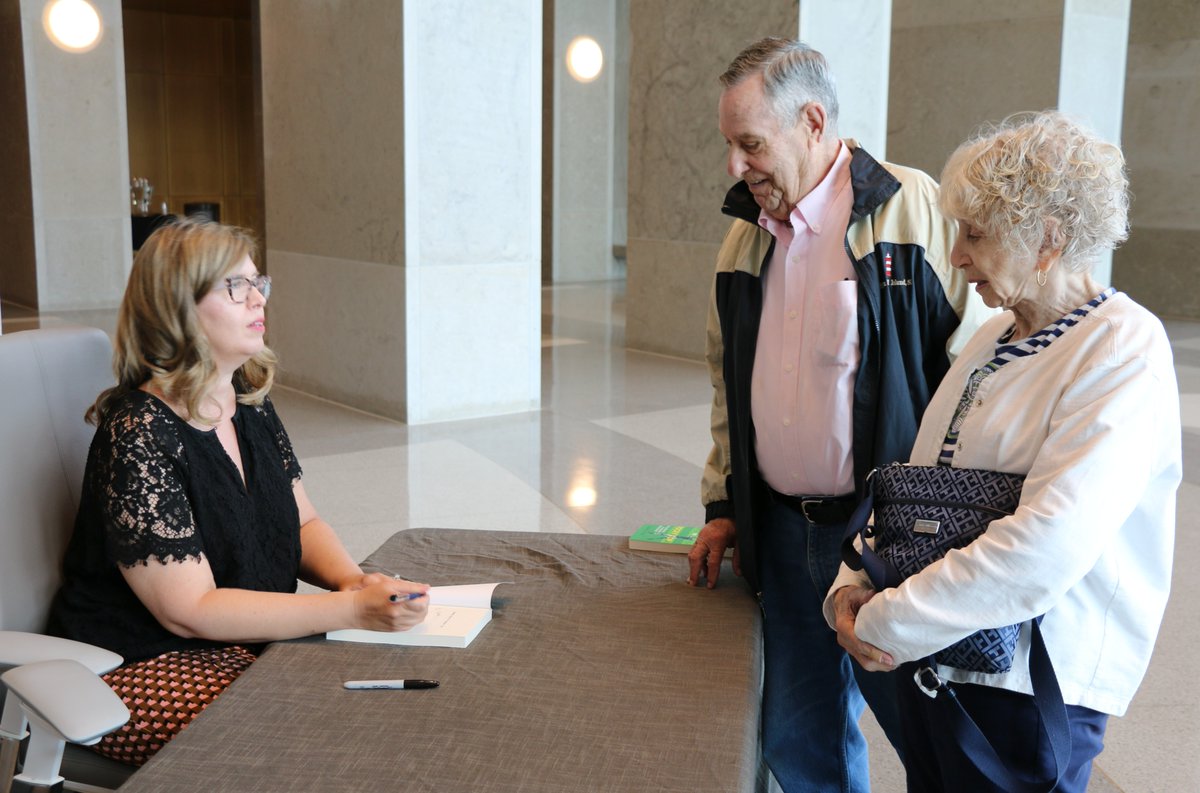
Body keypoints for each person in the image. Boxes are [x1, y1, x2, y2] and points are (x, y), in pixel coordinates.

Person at [827, 110, 1181, 792]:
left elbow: (1045, 546)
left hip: (1028, 689)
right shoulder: (994, 338)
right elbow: (913, 488)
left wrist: (889, 619)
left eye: (976, 234)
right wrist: (853, 584)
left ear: (1047, 238)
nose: (956, 255)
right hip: (942, 665)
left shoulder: (1121, 346)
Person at [686, 37, 991, 792]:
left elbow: (979, 375)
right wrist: (724, 504)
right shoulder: (742, 239)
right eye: (730, 145)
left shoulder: (914, 211)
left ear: (813, 121)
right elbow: (729, 389)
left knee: (934, 736)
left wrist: (957, 531)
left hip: (889, 535)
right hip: (784, 535)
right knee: (799, 739)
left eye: (750, 144)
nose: (735, 166)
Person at [47, 218, 430, 766]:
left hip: (241, 641)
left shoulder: (246, 398)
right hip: (140, 662)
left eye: (258, 282)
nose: (258, 298)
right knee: (311, 742)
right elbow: (190, 611)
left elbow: (303, 523)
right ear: (175, 307)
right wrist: (349, 610)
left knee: (389, 702)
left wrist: (353, 580)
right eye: (235, 286)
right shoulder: (137, 432)